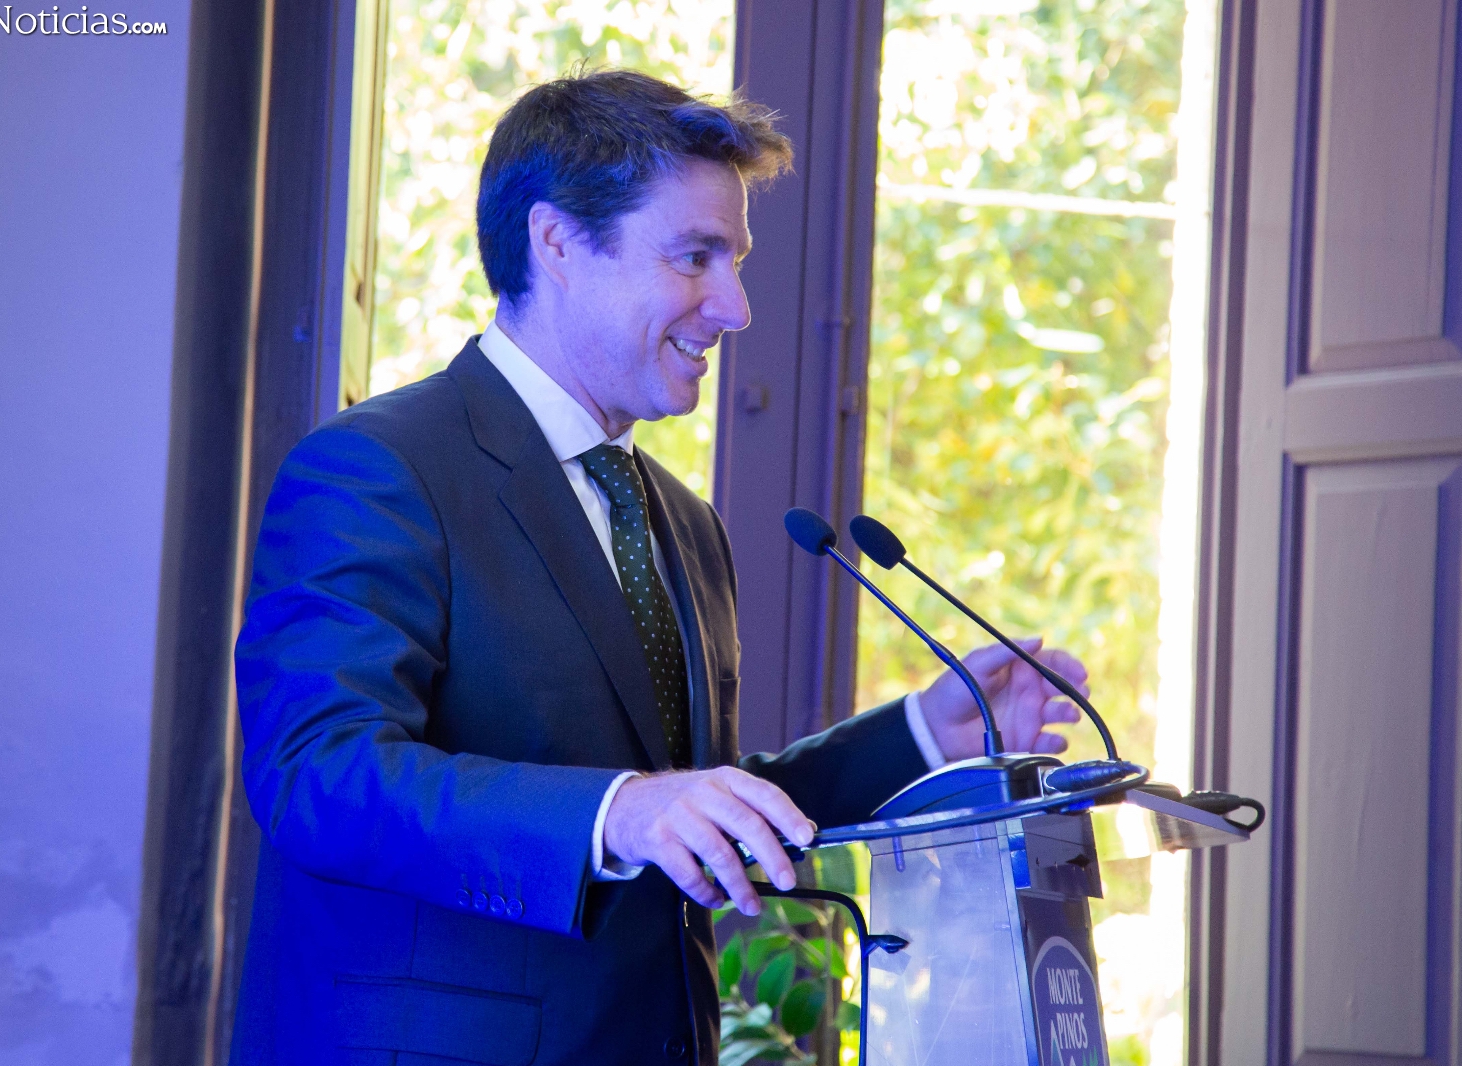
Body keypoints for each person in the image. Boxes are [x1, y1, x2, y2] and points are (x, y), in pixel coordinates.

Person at [230, 69, 1087, 1066]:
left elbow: (692, 805)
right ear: (557, 242)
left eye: (736, 261)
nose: (736, 307)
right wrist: (616, 811)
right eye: (695, 257)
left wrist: (925, 736)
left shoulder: (683, 522)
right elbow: (319, 775)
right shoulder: (377, 468)